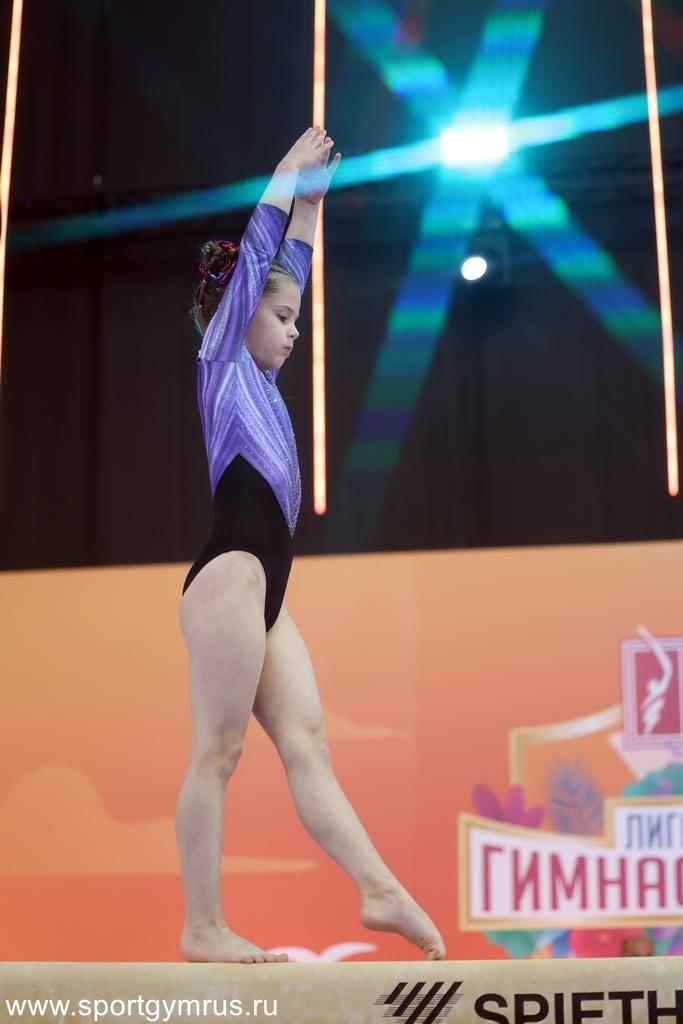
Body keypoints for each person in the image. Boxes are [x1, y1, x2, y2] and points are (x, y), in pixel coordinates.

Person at [175, 126, 446, 965]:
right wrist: (283, 176)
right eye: (282, 316)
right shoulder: (222, 359)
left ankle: (378, 888)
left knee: (308, 743)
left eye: (296, 318)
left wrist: (313, 205)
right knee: (217, 753)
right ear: (238, 310)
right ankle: (202, 927)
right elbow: (262, 256)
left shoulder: (258, 380)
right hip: (230, 574)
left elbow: (290, 259)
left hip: (265, 588)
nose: (293, 331)